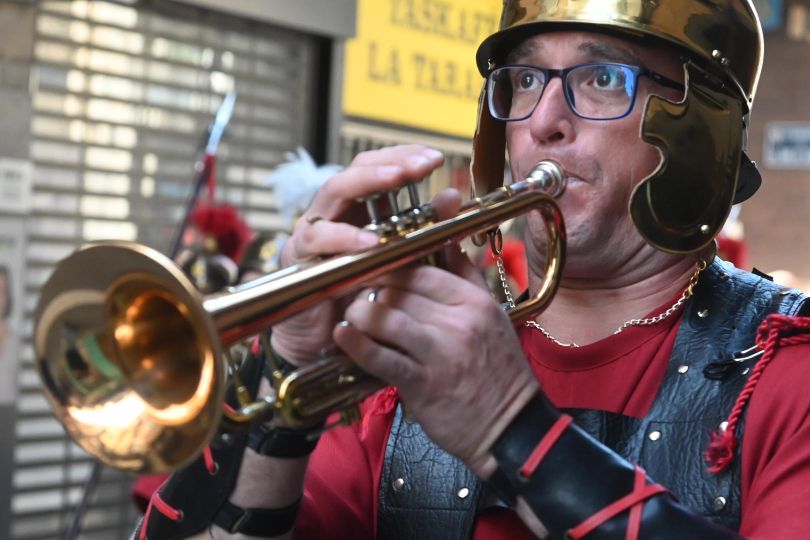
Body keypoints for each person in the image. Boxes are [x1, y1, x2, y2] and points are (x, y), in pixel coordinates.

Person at [133, 1, 810, 538]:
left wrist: (509, 426)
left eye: (602, 78)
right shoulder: (401, 371)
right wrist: (284, 369)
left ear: (703, 132)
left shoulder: (788, 366)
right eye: (524, 80)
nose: (543, 120)